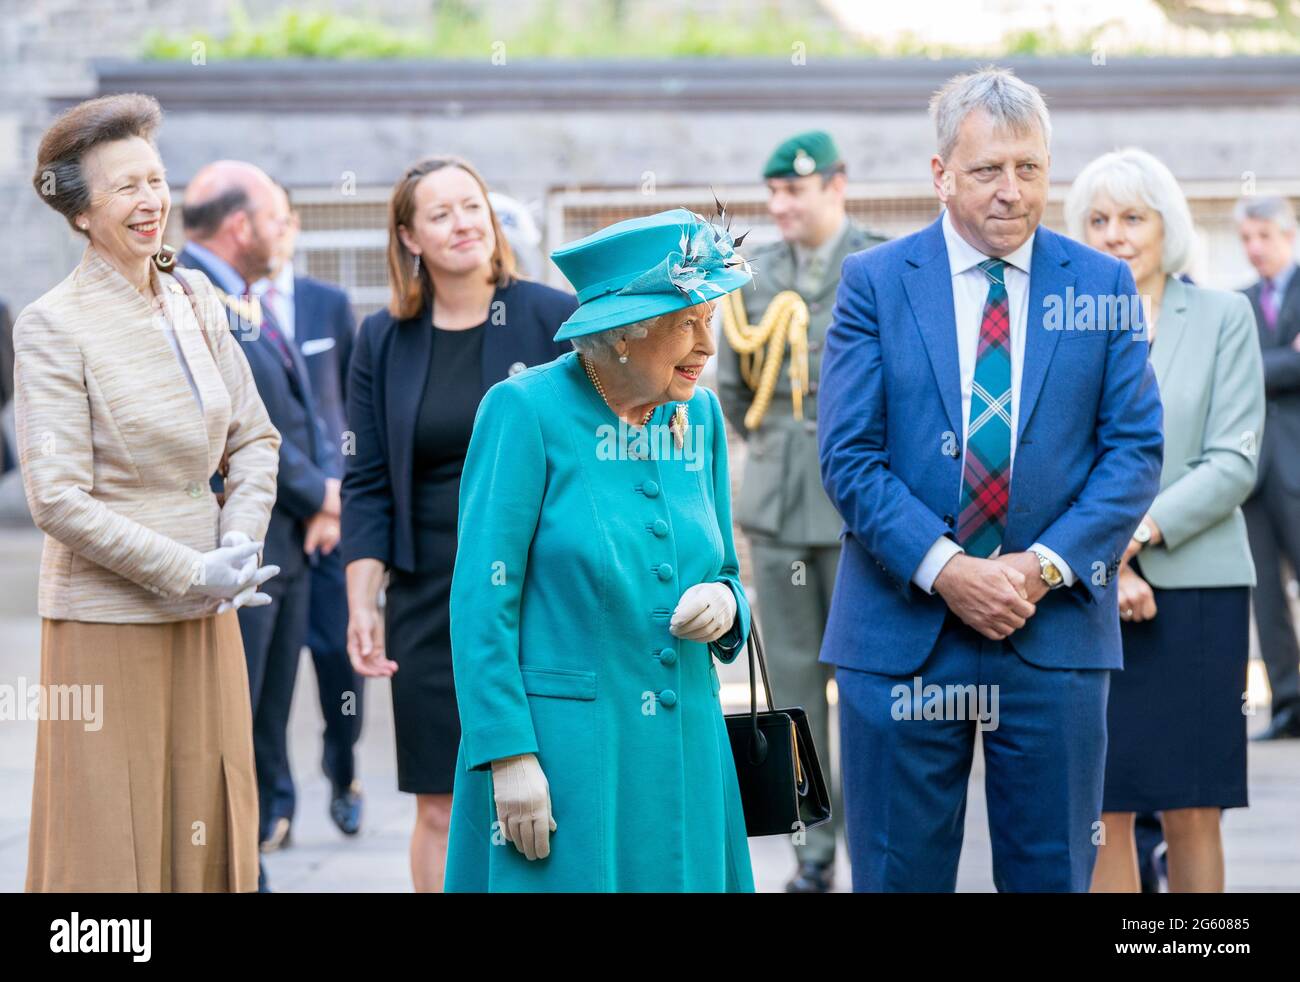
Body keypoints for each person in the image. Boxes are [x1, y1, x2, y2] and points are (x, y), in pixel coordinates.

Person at [818, 67, 1164, 892]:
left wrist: (1040, 569)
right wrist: (950, 571)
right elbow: (849, 457)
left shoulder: (1102, 286)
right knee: (898, 875)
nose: (1012, 192)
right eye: (986, 171)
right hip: (902, 636)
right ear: (940, 174)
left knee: (1052, 874)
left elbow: (1134, 455)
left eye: (1030, 169)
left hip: (1054, 636)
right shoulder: (874, 283)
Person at [443, 207, 754, 891]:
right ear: (620, 335)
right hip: (569, 760)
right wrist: (508, 755)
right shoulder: (523, 411)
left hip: (686, 751)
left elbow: (725, 567)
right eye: (687, 324)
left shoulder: (697, 413)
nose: (708, 346)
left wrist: (727, 603)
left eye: (712, 320)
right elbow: (481, 601)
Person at [16, 93, 281, 892]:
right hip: (110, 619)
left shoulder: (195, 298)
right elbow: (55, 499)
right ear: (81, 213)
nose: (150, 202)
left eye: (156, 180)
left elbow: (255, 438)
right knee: (109, 836)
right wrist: (185, 570)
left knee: (209, 813)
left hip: (212, 607)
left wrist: (238, 542)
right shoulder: (53, 323)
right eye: (125, 187)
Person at [341, 155, 574, 892]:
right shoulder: (383, 339)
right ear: (409, 237)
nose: (462, 224)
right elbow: (368, 480)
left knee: (548, 789)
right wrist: (361, 599)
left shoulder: (551, 316)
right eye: (439, 214)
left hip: (539, 593)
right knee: (442, 803)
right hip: (427, 601)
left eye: (471, 206)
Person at [1068, 148, 1264, 893]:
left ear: (1166, 226)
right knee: (1104, 807)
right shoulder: (1062, 324)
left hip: (1198, 592)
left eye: (1132, 217)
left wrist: (1130, 542)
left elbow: (1234, 461)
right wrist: (1107, 566)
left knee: (1192, 807)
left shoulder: (1223, 317)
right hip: (1086, 592)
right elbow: (1049, 459)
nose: (1115, 234)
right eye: (1097, 219)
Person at [716, 129, 886, 892]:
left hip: (865, 507)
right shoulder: (754, 277)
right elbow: (732, 389)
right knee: (790, 689)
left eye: (795, 191)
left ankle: (874, 838)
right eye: (774, 192)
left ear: (837, 187)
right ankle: (812, 851)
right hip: (784, 504)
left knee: (872, 686)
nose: (780, 205)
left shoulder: (880, 263)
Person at [178, 160, 334, 882]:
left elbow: (297, 414)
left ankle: (251, 858)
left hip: (286, 543)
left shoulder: (244, 295)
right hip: (239, 547)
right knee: (229, 725)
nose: (285, 234)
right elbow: (246, 426)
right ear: (241, 226)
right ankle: (234, 869)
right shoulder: (192, 297)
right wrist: (322, 498)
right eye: (275, 219)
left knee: (264, 721)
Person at [252, 182, 365, 840]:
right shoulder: (229, 308)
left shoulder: (329, 304)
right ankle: (279, 802)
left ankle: (343, 765)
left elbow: (350, 414)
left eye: (281, 221)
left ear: (293, 227)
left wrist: (335, 500)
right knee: (272, 676)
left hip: (333, 516)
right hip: (268, 518)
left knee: (339, 660)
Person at [1236, 195, 1300, 741]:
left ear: (1287, 234)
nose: (1254, 247)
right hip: (1253, 471)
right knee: (1267, 598)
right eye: (1246, 238)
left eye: (1263, 236)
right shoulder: (1239, 303)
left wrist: (1259, 366)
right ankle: (1288, 704)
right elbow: (1235, 373)